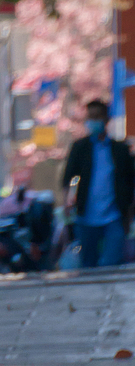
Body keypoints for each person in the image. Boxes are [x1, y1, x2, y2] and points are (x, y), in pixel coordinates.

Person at [62, 100, 134, 270]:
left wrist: (129, 213)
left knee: (112, 263)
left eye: (97, 117)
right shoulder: (80, 148)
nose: (93, 121)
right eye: (90, 117)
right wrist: (68, 199)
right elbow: (70, 177)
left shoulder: (120, 150)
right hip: (86, 216)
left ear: (106, 119)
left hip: (114, 215)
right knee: (88, 265)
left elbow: (130, 182)